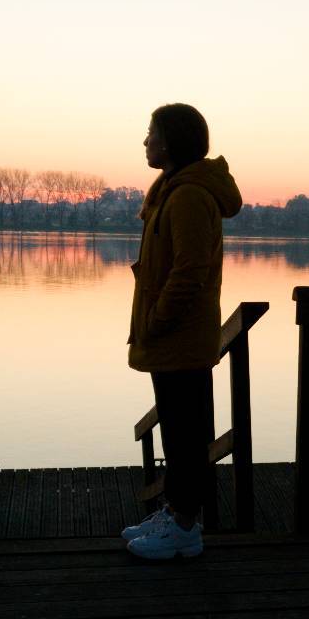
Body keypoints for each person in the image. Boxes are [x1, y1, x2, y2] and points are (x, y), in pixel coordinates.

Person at [121, 103, 242, 560]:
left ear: (170, 140)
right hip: (174, 335)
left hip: (180, 336)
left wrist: (158, 321)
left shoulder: (189, 195)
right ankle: (176, 512)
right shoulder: (173, 190)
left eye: (150, 132)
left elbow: (190, 270)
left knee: (186, 434)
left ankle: (186, 526)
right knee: (177, 429)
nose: (145, 141)